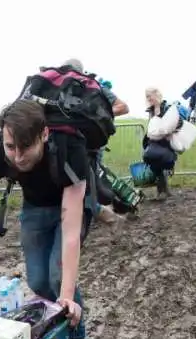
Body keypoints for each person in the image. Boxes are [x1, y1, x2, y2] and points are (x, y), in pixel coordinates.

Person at [0, 99, 89, 339]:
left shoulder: (72, 151)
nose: (18, 157)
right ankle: (49, 336)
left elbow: (70, 232)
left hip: (72, 205)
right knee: (37, 281)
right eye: (11, 147)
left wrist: (67, 296)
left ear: (44, 135)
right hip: (34, 207)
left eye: (26, 147)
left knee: (58, 279)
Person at [63, 58, 129, 224]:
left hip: (91, 144)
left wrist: (96, 116)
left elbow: (123, 107)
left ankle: (106, 208)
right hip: (69, 141)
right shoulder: (62, 87)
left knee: (92, 181)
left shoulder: (96, 86)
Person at [142, 87, 179, 201]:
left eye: (150, 96)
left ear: (157, 95)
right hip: (153, 141)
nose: (149, 99)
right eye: (147, 97)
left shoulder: (167, 108)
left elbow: (176, 122)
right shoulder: (151, 110)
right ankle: (162, 190)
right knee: (155, 165)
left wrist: (170, 131)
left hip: (165, 141)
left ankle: (164, 190)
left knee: (163, 164)